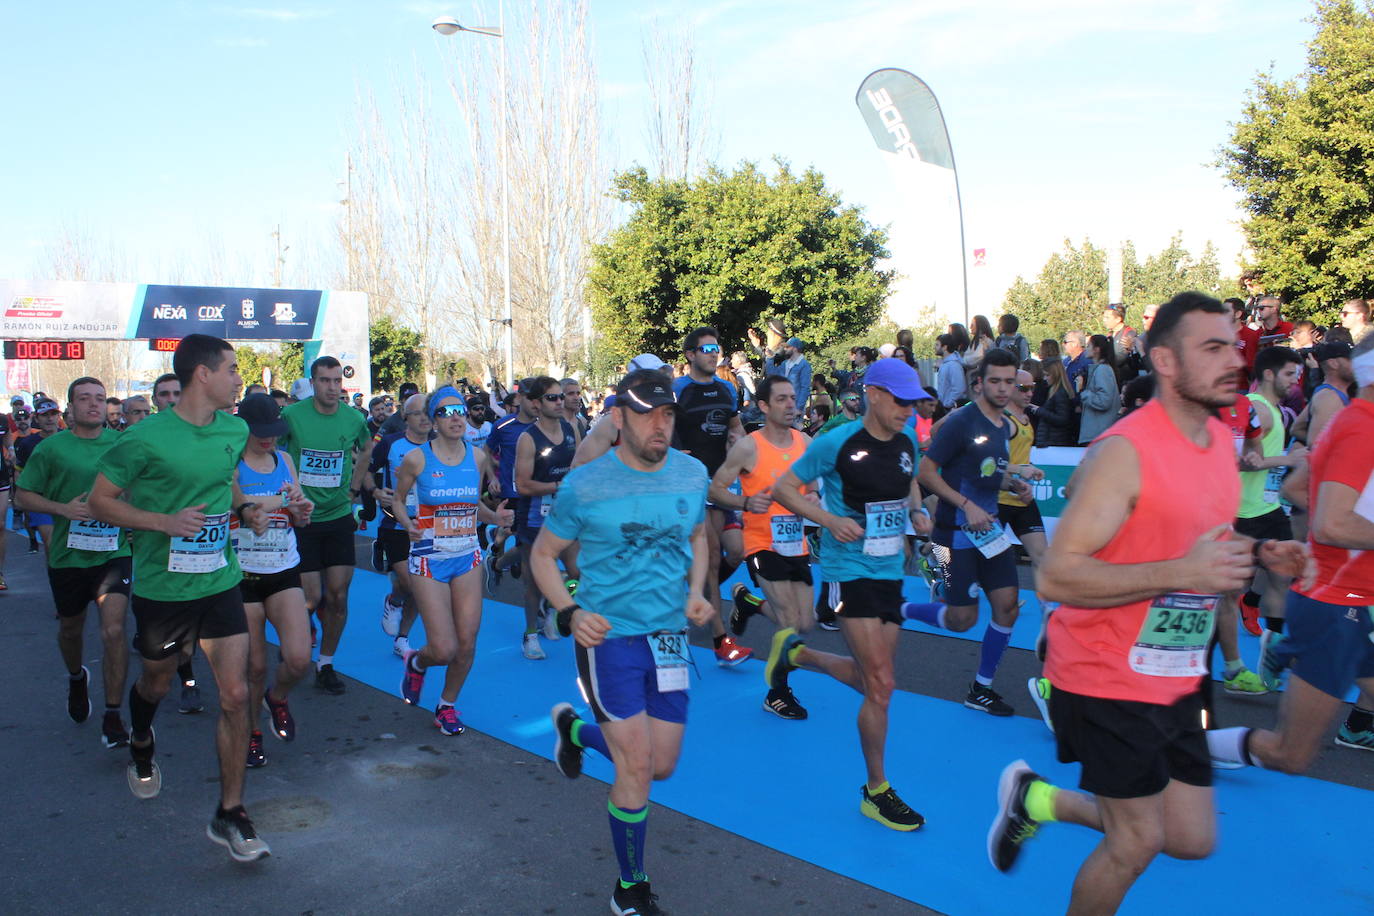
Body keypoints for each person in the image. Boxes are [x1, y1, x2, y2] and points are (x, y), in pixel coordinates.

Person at [986, 292, 1309, 912]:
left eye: (1232, 345)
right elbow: (1056, 578)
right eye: (1211, 348)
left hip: (1180, 669)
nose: (1232, 361)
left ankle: (1037, 799)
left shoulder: (1218, 442)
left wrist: (1259, 553)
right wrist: (1180, 570)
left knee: (1190, 839)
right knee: (1136, 840)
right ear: (1164, 360)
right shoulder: (1124, 453)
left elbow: (1197, 537)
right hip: (1104, 673)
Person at [535, 369, 715, 916]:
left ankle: (573, 729)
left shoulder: (692, 473)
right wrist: (569, 612)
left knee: (661, 766)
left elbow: (699, 536)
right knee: (635, 768)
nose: (659, 425)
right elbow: (543, 555)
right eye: (646, 414)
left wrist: (697, 591)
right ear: (617, 419)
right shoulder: (585, 484)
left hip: (669, 642)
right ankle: (629, 888)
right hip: (608, 638)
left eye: (667, 414)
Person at [89, 333, 273, 862]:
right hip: (164, 589)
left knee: (236, 695)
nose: (241, 378)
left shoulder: (235, 429)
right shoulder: (144, 439)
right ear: (203, 375)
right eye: (234, 368)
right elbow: (101, 502)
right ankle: (141, 738)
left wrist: (245, 511)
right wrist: (162, 523)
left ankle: (231, 812)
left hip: (218, 579)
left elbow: (225, 482)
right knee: (157, 681)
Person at [767, 358, 937, 831]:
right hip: (848, 570)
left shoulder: (906, 442)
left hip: (889, 571)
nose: (910, 410)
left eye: (915, 402)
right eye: (902, 401)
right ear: (875, 395)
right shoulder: (836, 442)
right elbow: (784, 487)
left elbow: (910, 482)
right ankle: (876, 790)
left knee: (873, 681)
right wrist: (828, 520)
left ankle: (796, 656)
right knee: (881, 683)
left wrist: (918, 513)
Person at [1209, 330, 1374, 768]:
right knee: (1291, 753)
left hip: (1353, 597)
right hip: (1338, 604)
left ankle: (1287, 649)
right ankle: (1186, 747)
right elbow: (1333, 522)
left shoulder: (1352, 420)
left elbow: (1301, 487)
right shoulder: (1360, 427)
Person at [916, 349, 1037, 715]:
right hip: (952, 535)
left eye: (1009, 382)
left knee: (1007, 607)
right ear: (980, 383)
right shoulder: (962, 422)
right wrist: (966, 505)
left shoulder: (1004, 425)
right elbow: (926, 473)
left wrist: (1012, 484)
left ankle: (980, 688)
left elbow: (982, 474)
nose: (1003, 389)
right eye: (995, 381)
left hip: (991, 534)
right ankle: (900, 607)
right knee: (961, 619)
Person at [15, 377, 132, 748]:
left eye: (99, 398)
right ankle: (76, 677)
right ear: (71, 408)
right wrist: (63, 509)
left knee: (114, 630)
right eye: (85, 399)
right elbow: (23, 497)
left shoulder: (123, 445)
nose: (94, 405)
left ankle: (113, 715)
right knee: (71, 629)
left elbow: (141, 486)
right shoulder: (51, 449)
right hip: (68, 555)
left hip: (114, 552)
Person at [394, 387, 512, 736]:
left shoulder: (476, 457)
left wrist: (497, 519)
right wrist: (406, 523)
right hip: (430, 558)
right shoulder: (416, 459)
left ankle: (446, 706)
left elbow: (475, 507)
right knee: (443, 648)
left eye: (460, 410)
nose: (457, 417)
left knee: (467, 643)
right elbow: (398, 500)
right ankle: (417, 661)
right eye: (446, 412)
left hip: (467, 556)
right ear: (433, 421)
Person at [708, 375, 816, 718]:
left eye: (792, 398)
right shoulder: (748, 447)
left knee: (805, 623)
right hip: (761, 542)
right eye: (781, 399)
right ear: (765, 406)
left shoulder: (805, 442)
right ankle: (777, 693)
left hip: (794, 541)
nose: (791, 406)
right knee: (787, 621)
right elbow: (716, 490)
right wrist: (745, 502)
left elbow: (812, 482)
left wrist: (812, 494)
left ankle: (748, 604)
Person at [230, 394, 314, 768]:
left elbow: (297, 511)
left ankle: (276, 698)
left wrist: (301, 509)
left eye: (274, 433)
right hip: (243, 572)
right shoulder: (231, 463)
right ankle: (252, 732)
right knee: (254, 667)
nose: (269, 440)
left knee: (298, 658)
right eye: (260, 433)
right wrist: (280, 502)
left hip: (283, 567)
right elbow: (237, 504)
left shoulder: (284, 460)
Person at [281, 356, 373, 696]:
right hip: (302, 518)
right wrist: (285, 494)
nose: (333, 388)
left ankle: (326, 663)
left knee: (337, 596)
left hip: (337, 516)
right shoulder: (292, 415)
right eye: (325, 381)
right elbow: (274, 454)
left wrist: (353, 489)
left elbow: (367, 449)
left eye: (337, 381)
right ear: (313, 382)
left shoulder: (353, 418)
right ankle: (299, 636)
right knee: (310, 596)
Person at [672, 328, 752, 666]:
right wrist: (676, 454)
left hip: (723, 480)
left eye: (716, 348)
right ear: (690, 355)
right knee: (714, 557)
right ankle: (722, 641)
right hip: (692, 483)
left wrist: (747, 455)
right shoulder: (678, 390)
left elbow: (736, 429)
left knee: (737, 552)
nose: (713, 353)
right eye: (706, 348)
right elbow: (662, 429)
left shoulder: (726, 388)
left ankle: (696, 593)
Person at [513, 376, 582, 659]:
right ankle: (530, 634)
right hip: (533, 518)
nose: (559, 402)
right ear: (537, 404)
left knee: (578, 573)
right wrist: (557, 487)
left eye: (560, 397)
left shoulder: (571, 428)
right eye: (552, 398)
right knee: (534, 583)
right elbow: (522, 484)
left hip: (564, 515)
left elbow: (579, 466)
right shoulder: (528, 438)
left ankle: (554, 605)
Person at [371, 393, 431, 656]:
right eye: (417, 413)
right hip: (396, 523)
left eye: (428, 412)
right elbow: (365, 472)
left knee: (421, 586)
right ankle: (394, 600)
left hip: (429, 526)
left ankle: (402, 639)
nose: (424, 418)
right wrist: (374, 492)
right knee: (409, 584)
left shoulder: (442, 445)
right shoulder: (390, 443)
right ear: (405, 417)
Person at [1077, 334, 1120, 444]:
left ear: (1097, 349)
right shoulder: (1100, 369)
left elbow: (1104, 401)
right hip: (1098, 433)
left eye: (1088, 346)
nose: (1085, 349)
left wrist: (1083, 391)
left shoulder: (1102, 370)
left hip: (1098, 434)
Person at [1033, 360, 1078, 447]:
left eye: (1047, 375)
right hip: (1054, 439)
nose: (1045, 378)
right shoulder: (1056, 391)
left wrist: (1039, 411)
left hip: (1054, 441)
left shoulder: (1060, 393)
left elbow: (1062, 419)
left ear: (1056, 375)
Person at [780, 337, 813, 420]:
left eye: (787, 347)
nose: (785, 349)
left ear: (794, 349)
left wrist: (799, 408)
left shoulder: (804, 365)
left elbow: (805, 388)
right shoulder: (785, 364)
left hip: (794, 408)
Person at [935, 334, 967, 409]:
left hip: (950, 410)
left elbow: (959, 390)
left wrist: (947, 405)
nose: (934, 347)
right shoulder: (945, 364)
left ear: (945, 347)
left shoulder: (954, 365)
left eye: (937, 345)